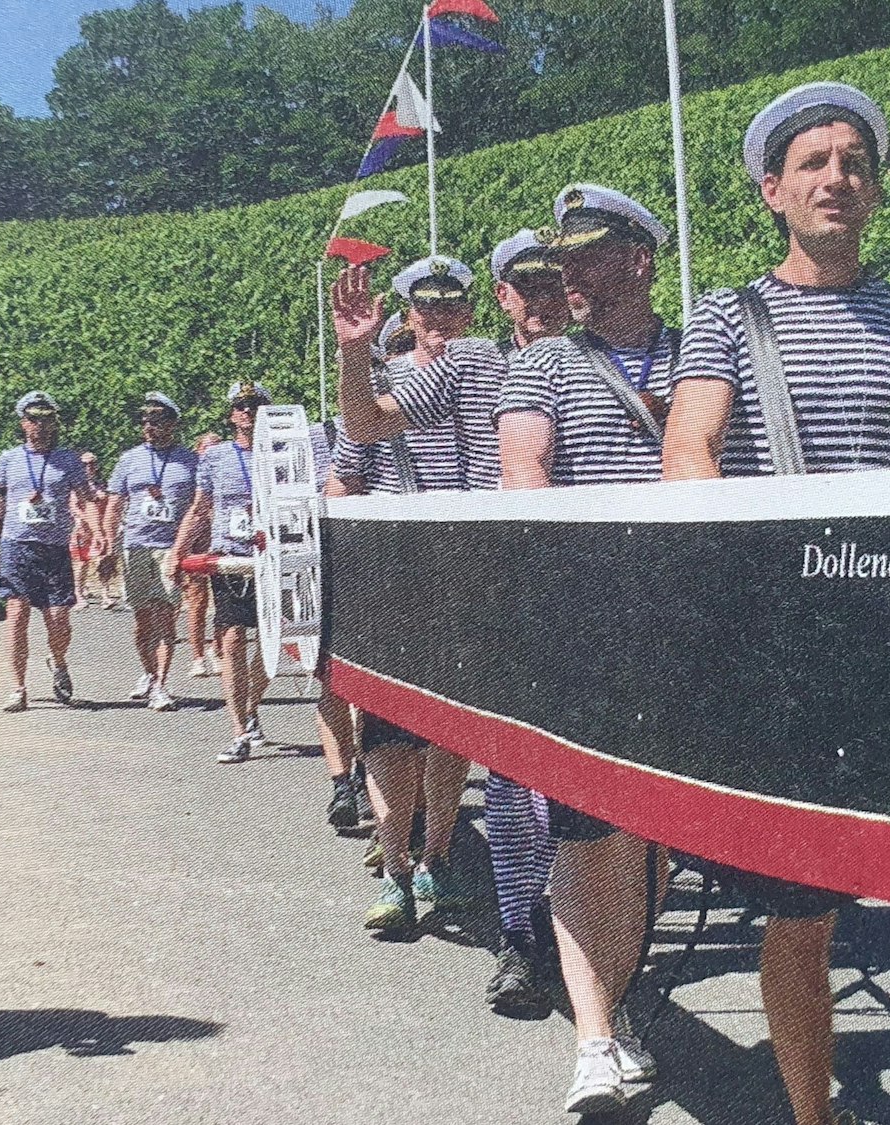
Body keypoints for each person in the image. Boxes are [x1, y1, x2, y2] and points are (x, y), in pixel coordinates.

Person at [661, 81, 890, 1125]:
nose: (834, 179)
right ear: (772, 190)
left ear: (872, 189)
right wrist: (740, 579)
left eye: (852, 162)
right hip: (794, 649)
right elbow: (690, 447)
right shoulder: (728, 315)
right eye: (811, 163)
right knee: (800, 916)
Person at [493, 183, 680, 1115]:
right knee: (585, 834)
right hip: (585, 630)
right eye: (561, 257)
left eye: (589, 253)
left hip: (681, 632)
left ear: (641, 259)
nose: (565, 271)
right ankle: (595, 1037)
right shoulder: (541, 370)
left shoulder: (698, 357)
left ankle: (619, 1006)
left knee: (649, 839)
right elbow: (524, 474)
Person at [329, 256, 488, 933]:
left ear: (471, 313)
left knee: (451, 732)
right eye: (427, 308)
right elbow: (344, 479)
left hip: (465, 574)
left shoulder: (484, 375)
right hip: (398, 575)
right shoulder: (380, 387)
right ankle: (396, 870)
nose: (440, 319)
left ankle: (438, 853)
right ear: (410, 315)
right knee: (392, 734)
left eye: (452, 306)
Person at [477, 229, 573, 1019]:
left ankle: (597, 947)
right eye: (523, 286)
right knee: (512, 775)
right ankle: (519, 933)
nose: (540, 300)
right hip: (505, 584)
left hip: (600, 592)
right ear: (502, 294)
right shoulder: (472, 369)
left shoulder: (604, 359)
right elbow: (375, 422)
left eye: (552, 284)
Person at [171, 381, 276, 763]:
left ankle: (251, 706)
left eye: (255, 404)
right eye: (241, 405)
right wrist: (178, 551)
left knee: (270, 643)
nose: (247, 411)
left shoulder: (282, 451)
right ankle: (238, 728)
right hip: (229, 558)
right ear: (231, 413)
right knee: (231, 639)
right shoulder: (214, 457)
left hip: (270, 558)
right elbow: (201, 508)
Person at [0, 391, 100, 713]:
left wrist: (97, 529)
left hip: (55, 548)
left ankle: (58, 660)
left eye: (48, 420)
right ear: (24, 423)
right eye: (35, 420)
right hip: (16, 546)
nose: (43, 426)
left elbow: (87, 497)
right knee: (17, 618)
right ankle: (18, 688)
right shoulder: (8, 459)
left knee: (59, 621)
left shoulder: (68, 459)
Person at [103, 392, 199, 713]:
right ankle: (147, 672)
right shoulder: (129, 459)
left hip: (170, 549)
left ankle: (161, 684)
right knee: (142, 622)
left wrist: (192, 545)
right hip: (136, 548)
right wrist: (106, 540)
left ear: (172, 424)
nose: (149, 427)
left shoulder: (190, 461)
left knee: (166, 618)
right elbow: (115, 503)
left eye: (157, 421)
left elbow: (200, 508)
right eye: (145, 421)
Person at [183, 432, 223, 678]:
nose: (211, 452)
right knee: (197, 602)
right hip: (197, 541)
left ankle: (217, 650)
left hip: (221, 540)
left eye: (216, 447)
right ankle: (197, 656)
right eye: (206, 448)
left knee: (222, 601)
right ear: (198, 450)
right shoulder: (191, 476)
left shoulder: (228, 469)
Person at [70, 450, 115, 605]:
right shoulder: (76, 483)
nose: (89, 466)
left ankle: (105, 594)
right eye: (85, 464)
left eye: (92, 463)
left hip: (100, 528)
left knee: (103, 561)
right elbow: (73, 506)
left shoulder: (103, 484)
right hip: (82, 529)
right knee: (82, 563)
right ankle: (79, 594)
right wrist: (87, 520)